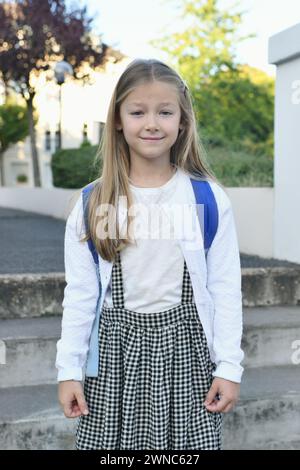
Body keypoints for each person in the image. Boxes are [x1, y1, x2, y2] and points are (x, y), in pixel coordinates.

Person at [56, 58, 244, 450]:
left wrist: (229, 366)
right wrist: (69, 370)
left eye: (165, 112)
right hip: (113, 360)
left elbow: (225, 287)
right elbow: (81, 294)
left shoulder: (204, 199)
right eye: (138, 112)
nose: (152, 123)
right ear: (119, 120)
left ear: (183, 121)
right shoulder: (99, 203)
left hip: (187, 358)